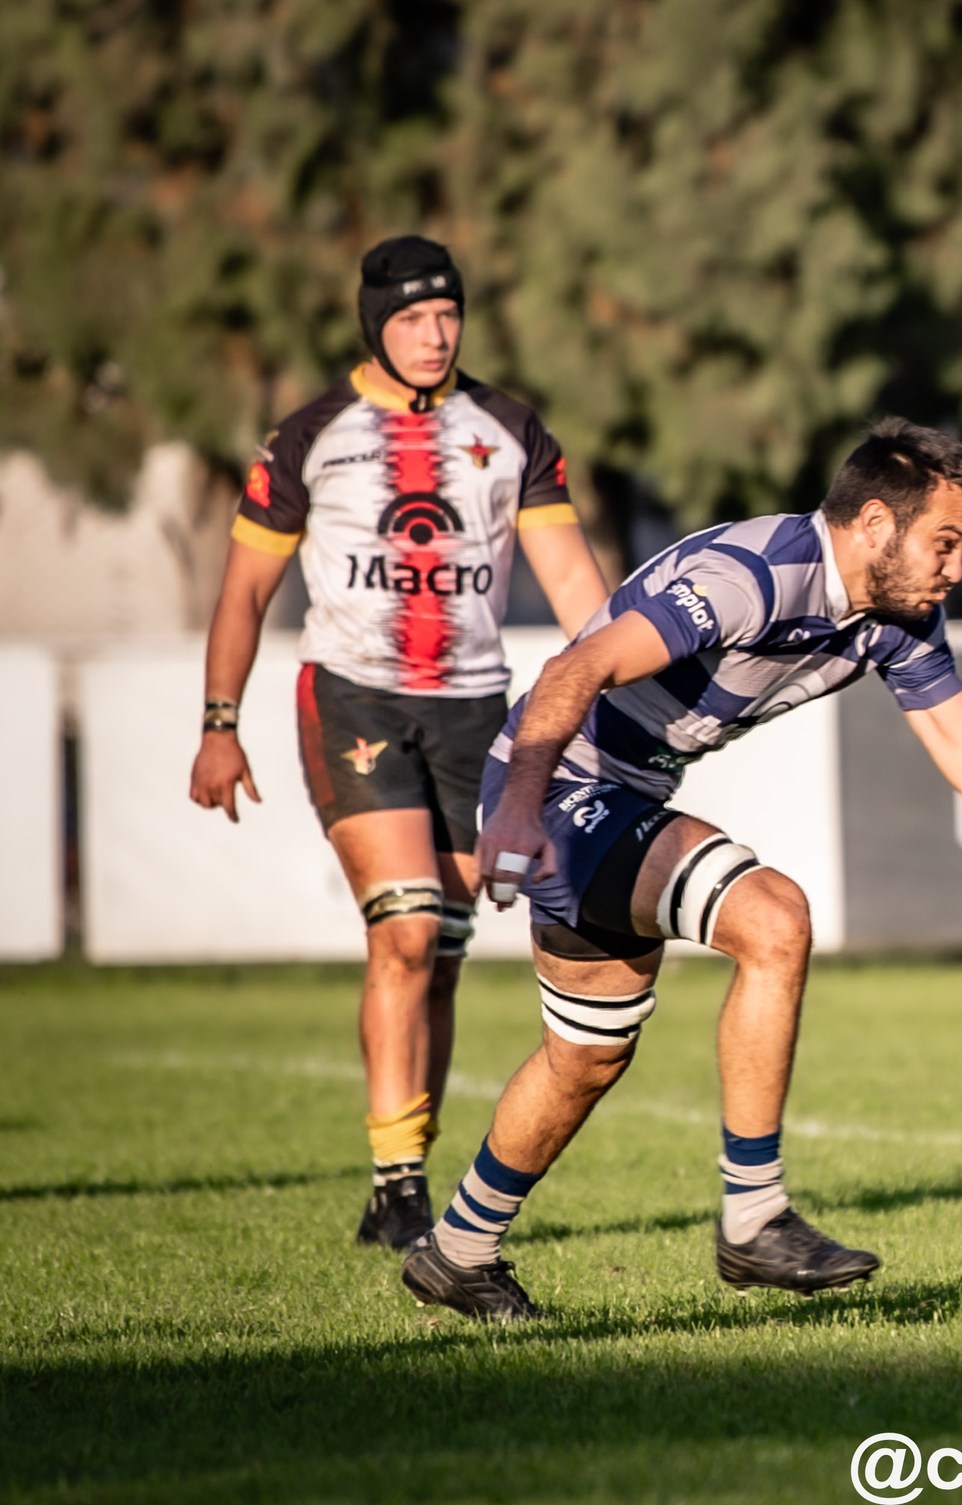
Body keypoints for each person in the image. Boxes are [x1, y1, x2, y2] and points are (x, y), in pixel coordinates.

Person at [398, 417, 962, 1321]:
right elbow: (576, 666)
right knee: (774, 918)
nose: (955, 569)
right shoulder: (753, 578)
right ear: (870, 526)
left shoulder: (896, 620)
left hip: (616, 793)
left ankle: (458, 1251)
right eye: (944, 542)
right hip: (556, 783)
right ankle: (754, 1214)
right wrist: (510, 809)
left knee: (584, 1058)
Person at [189, 236, 611, 1251]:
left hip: (477, 710)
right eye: (414, 317)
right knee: (408, 929)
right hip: (354, 700)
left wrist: (611, 695)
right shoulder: (308, 436)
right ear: (373, 321)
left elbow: (578, 591)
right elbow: (245, 588)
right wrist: (218, 724)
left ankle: (410, 1162)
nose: (435, 334)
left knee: (451, 952)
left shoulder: (510, 430)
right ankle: (395, 1183)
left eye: (449, 315)